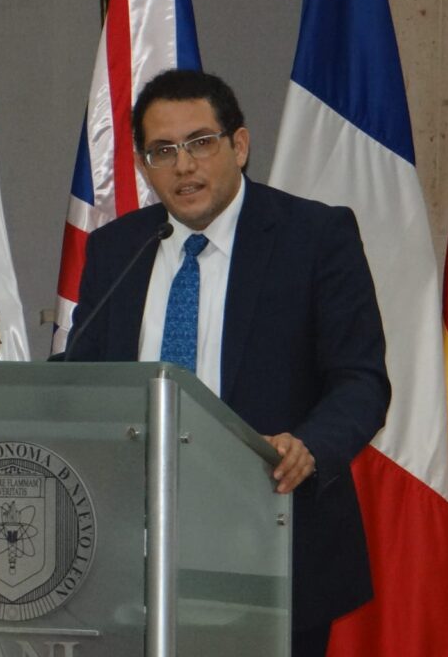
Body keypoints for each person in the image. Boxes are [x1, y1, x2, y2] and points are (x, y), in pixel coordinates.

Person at [63, 70, 390, 657]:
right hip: (130, 552)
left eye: (200, 142)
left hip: (270, 539)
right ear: (143, 166)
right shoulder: (117, 248)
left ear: (239, 145)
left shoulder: (314, 236)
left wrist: (309, 446)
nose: (183, 166)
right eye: (163, 151)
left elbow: (360, 379)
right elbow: (86, 379)